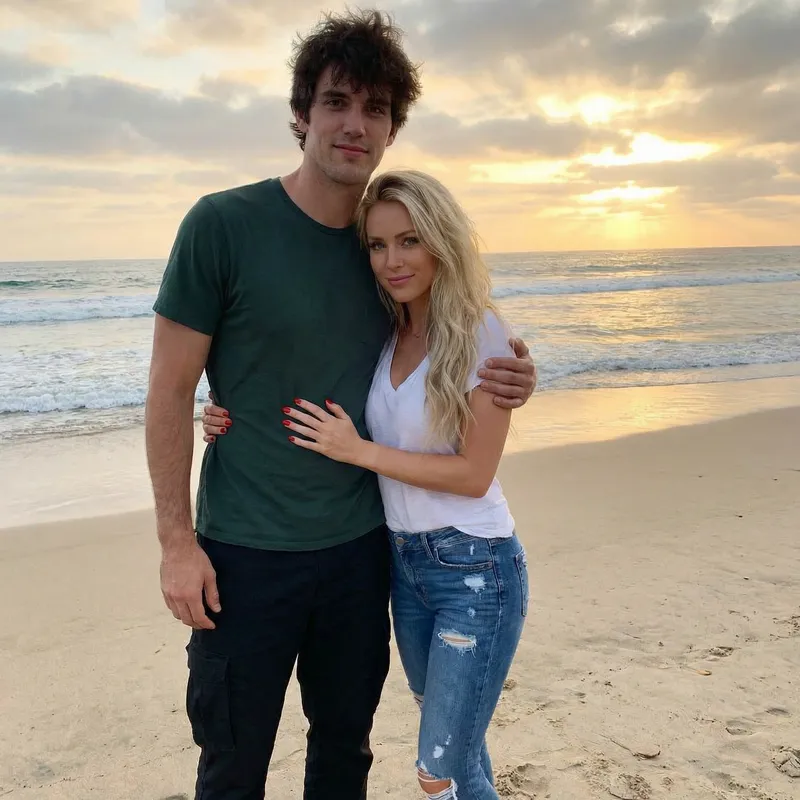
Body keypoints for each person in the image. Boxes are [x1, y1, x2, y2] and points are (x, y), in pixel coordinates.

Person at [145, 10, 536, 800]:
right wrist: (177, 544)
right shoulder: (223, 225)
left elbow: (449, 340)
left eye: (377, 110)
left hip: (364, 556)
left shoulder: (384, 246)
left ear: (392, 129)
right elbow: (170, 390)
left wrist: (517, 374)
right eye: (336, 102)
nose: (355, 125)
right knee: (232, 764)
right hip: (242, 557)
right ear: (301, 115)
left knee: (342, 759)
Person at [201, 170, 528, 800]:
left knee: (441, 770)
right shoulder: (389, 326)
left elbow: (472, 474)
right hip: (404, 569)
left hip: (474, 568)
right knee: (465, 753)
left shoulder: (480, 332)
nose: (392, 260)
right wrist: (224, 409)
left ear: (442, 241)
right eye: (377, 246)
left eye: (409, 241)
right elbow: (289, 355)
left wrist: (358, 451)